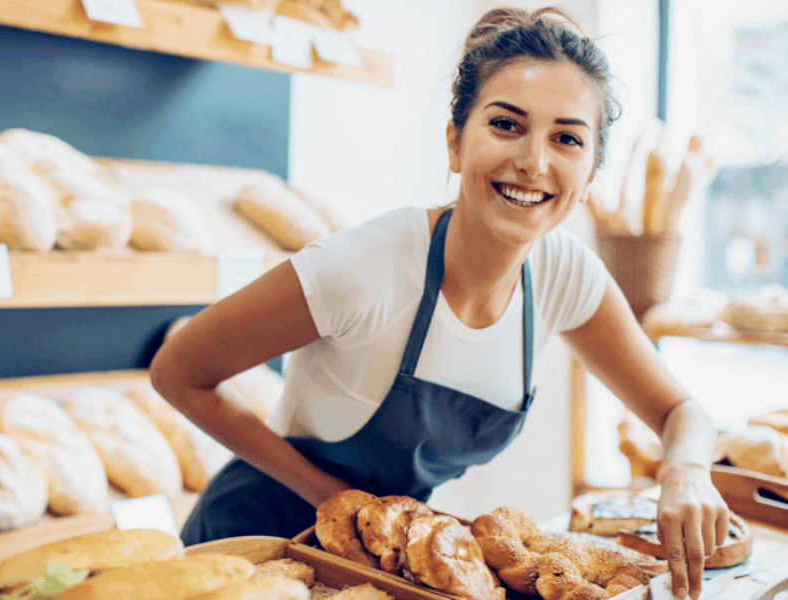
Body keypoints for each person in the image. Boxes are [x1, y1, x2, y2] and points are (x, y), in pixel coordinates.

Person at [149, 7, 728, 600]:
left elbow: (682, 412)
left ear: (587, 177)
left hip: (387, 562)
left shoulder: (565, 275)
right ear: (455, 143)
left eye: (567, 138)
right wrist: (336, 502)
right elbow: (177, 371)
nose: (534, 161)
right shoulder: (366, 265)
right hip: (253, 550)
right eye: (506, 125)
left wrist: (684, 472)